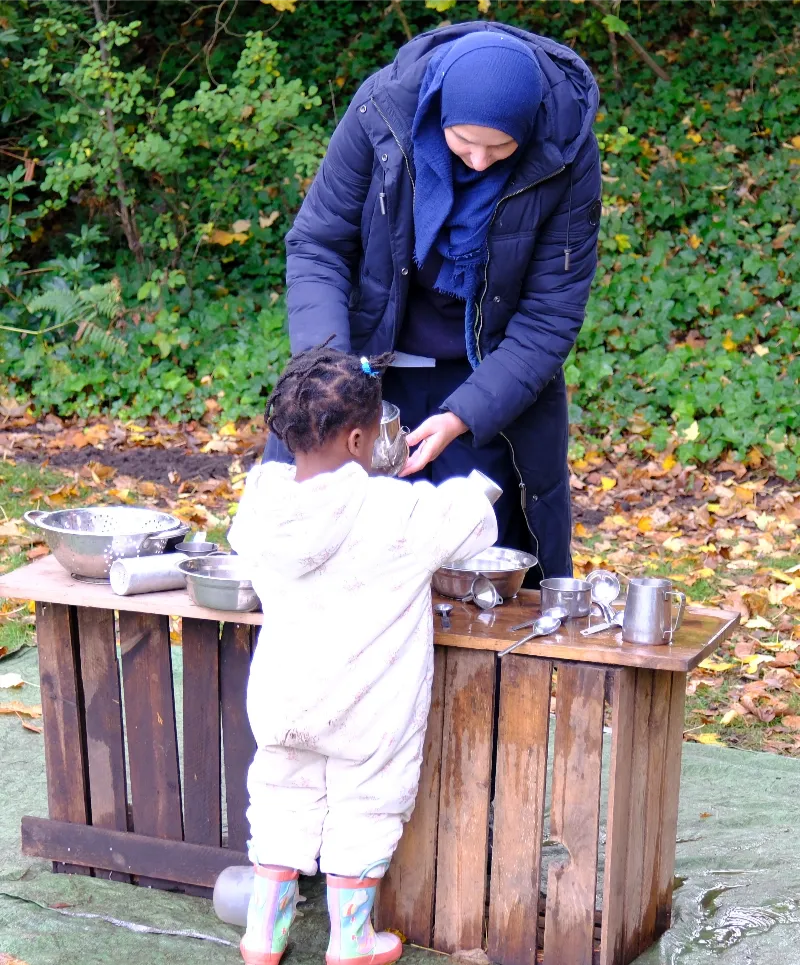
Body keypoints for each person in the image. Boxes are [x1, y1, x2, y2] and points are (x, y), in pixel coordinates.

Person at [265, 22, 601, 582]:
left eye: (500, 148)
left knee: (483, 570)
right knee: (323, 551)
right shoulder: (382, 114)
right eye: (463, 141)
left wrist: (463, 416)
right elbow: (318, 245)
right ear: (437, 112)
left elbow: (549, 318)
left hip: (485, 386)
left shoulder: (565, 152)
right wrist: (330, 376)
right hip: (367, 365)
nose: (477, 161)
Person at [229, 343, 497, 965]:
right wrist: (480, 483)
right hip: (371, 711)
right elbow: (470, 524)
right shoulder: (397, 511)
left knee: (277, 794)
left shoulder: (263, 502)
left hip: (283, 699)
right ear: (357, 440)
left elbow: (246, 539)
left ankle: (263, 935)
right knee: (368, 804)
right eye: (379, 429)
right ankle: (352, 940)